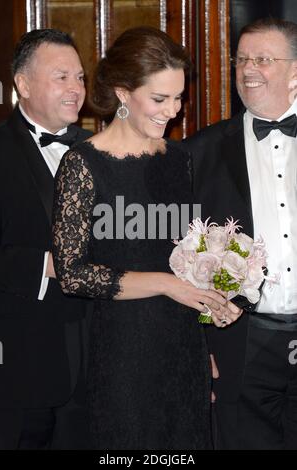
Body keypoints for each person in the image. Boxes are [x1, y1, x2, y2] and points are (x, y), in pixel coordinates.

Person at [52, 26, 242, 450]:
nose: (172, 111)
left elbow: (189, 257)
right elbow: (72, 275)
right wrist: (166, 285)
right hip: (124, 355)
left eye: (178, 98)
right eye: (159, 99)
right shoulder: (82, 164)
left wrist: (213, 303)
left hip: (184, 350)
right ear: (122, 93)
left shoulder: (179, 160)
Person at [184, 17, 297, 450]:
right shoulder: (201, 151)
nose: (249, 69)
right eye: (242, 59)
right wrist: (199, 343)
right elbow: (180, 258)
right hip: (241, 340)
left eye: (263, 59)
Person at [0, 28, 93, 449]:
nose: (76, 88)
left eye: (80, 77)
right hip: (19, 369)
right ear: (22, 84)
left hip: (93, 368)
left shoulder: (99, 151)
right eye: (62, 77)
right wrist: (47, 266)